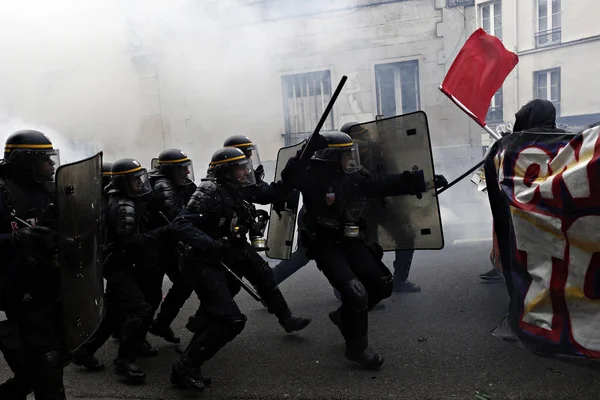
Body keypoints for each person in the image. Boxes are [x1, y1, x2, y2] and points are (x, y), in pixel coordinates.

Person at [280, 130, 427, 369]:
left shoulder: (353, 176)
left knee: (382, 284)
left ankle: (344, 317)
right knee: (355, 292)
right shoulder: (311, 175)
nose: (352, 159)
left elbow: (378, 184)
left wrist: (415, 181)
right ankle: (357, 348)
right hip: (324, 244)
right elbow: (289, 178)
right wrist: (303, 152)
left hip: (349, 238)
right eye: (347, 154)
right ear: (331, 156)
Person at [169, 147, 311, 391]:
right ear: (226, 171)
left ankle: (284, 318)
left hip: (230, 250)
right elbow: (180, 224)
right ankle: (185, 365)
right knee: (229, 319)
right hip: (205, 260)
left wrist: (299, 160)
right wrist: (210, 244)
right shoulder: (209, 190)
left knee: (261, 277)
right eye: (241, 167)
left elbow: (275, 191)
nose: (247, 171)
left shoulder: (240, 188)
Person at [74, 158, 170, 382]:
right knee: (140, 309)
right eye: (135, 179)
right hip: (120, 265)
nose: (140, 183)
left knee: (114, 315)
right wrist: (163, 232)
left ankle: (84, 351)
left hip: (127, 264)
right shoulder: (123, 205)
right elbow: (131, 241)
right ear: (123, 182)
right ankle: (124, 362)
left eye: (140, 178)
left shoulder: (132, 200)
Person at [0, 130, 65, 399]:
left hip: (52, 284)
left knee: (50, 362)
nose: (52, 166)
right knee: (47, 365)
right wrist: (16, 238)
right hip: (17, 291)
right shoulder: (2, 192)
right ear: (26, 161)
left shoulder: (49, 190)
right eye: (46, 160)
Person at [479, 99, 566, 281]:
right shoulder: (571, 142)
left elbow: (497, 191)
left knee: (528, 276)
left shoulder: (509, 147)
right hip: (563, 222)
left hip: (524, 224)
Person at [147, 148, 197, 344]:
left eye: (186, 167)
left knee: (185, 283)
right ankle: (132, 340)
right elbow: (177, 218)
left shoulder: (180, 183)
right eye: (181, 168)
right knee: (150, 296)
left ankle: (160, 324)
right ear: (169, 171)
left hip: (169, 246)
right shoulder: (163, 187)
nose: (186, 172)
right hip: (156, 248)